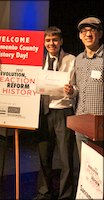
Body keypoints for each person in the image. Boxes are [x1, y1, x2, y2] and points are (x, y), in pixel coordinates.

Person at [34, 26, 76, 200]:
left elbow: (78, 85)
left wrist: (72, 90)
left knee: (66, 158)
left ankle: (65, 194)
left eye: (55, 40)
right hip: (44, 113)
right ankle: (44, 192)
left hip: (64, 112)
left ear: (61, 41)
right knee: (44, 155)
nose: (52, 43)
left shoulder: (72, 60)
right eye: (48, 40)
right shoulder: (38, 60)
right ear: (44, 43)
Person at [64, 16, 104, 160]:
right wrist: (72, 91)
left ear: (100, 34)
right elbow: (78, 88)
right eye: (84, 31)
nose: (88, 34)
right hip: (81, 121)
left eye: (92, 30)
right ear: (80, 36)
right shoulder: (79, 59)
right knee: (86, 167)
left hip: (100, 124)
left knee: (100, 167)